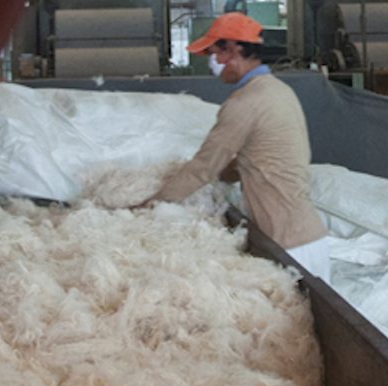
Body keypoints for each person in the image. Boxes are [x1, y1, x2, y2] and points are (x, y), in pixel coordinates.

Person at [141, 12, 330, 282]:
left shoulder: (244, 102)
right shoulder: (279, 91)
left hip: (288, 247)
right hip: (311, 239)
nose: (213, 63)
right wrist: (221, 178)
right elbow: (247, 162)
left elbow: (202, 168)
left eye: (214, 54)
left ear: (233, 50)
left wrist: (150, 205)